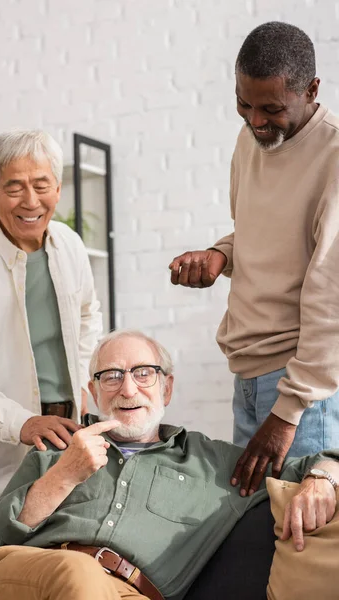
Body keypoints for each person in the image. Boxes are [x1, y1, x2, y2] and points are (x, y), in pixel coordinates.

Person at [0, 330, 339, 600]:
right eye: (111, 376)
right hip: (30, 577)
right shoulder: (57, 450)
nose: (128, 389)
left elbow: (320, 462)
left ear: (167, 387)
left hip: (132, 593)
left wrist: (322, 477)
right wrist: (64, 475)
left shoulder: (213, 463)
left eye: (143, 373)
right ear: (95, 391)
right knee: (77, 570)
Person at [169, 22, 339, 494]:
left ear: (312, 89)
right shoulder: (252, 140)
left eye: (271, 108)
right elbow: (259, 233)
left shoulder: (334, 158)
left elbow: (333, 300)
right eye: (244, 104)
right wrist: (219, 255)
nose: (256, 120)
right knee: (256, 536)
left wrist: (287, 414)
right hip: (246, 374)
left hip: (301, 390)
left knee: (307, 543)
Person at [0, 130, 102, 498]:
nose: (31, 201)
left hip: (70, 427)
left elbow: (89, 315)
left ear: (58, 189)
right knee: (10, 545)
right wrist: (23, 423)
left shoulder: (70, 245)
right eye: (14, 188)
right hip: (5, 445)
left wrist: (82, 378)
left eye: (42, 185)